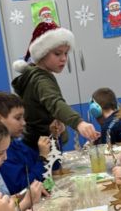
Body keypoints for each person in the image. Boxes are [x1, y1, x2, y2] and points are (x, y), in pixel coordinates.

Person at [11, 21, 99, 150]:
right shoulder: (40, 80)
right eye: (57, 53)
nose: (64, 58)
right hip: (41, 150)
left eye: (66, 53)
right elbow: (55, 103)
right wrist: (79, 123)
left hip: (41, 145)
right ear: (42, 53)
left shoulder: (36, 76)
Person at [0, 90, 54, 195]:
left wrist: (54, 136)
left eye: (23, 117)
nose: (24, 123)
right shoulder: (0, 154)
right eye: (18, 118)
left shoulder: (17, 144)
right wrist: (43, 158)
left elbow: (52, 168)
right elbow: (21, 188)